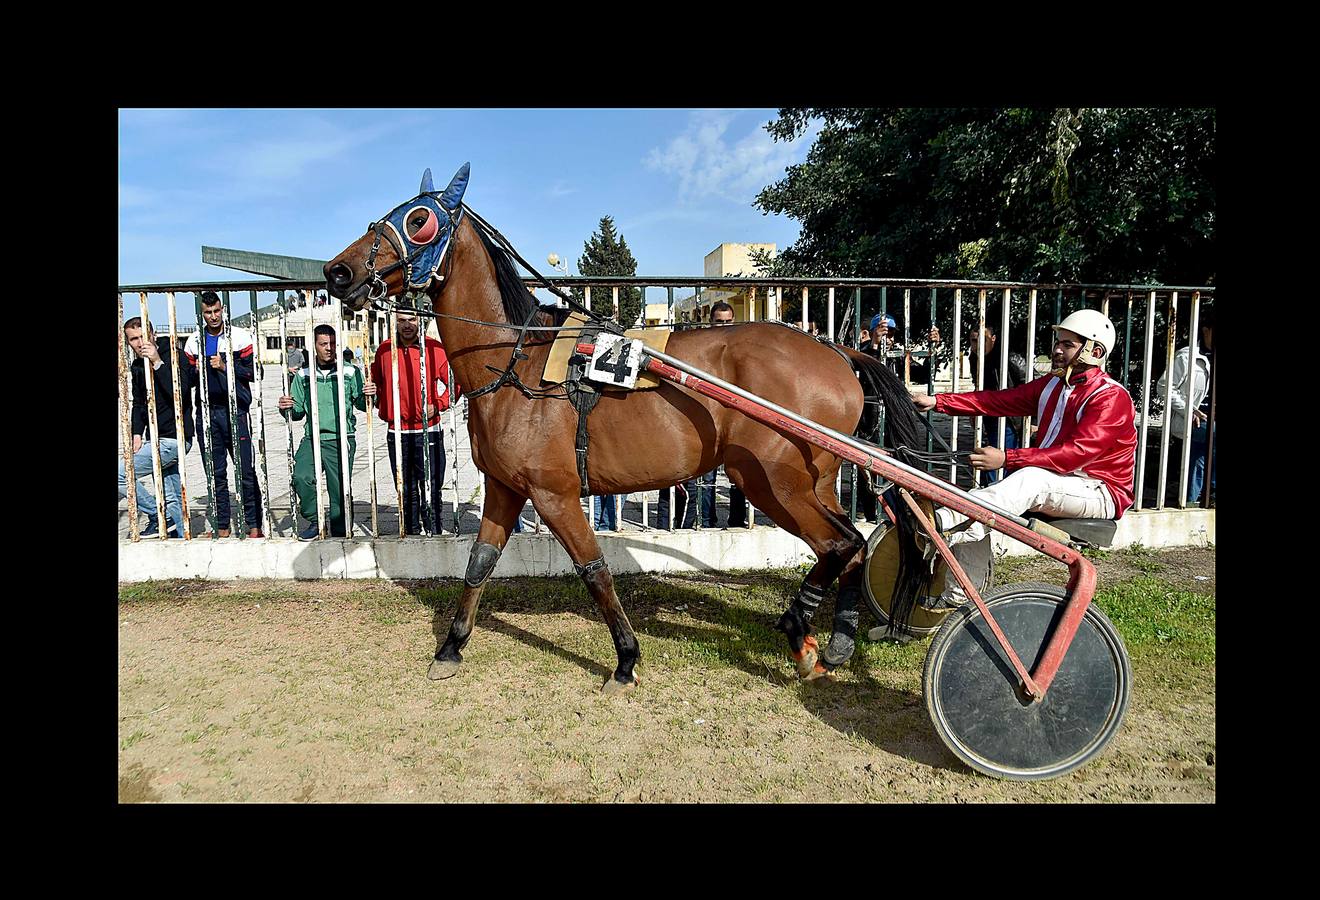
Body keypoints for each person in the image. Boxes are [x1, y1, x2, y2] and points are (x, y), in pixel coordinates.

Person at [912, 309, 1136, 605]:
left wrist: (1007, 458)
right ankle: (958, 595)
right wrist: (939, 401)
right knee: (976, 502)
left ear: (1094, 351)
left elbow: (1074, 456)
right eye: (1058, 342)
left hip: (1101, 491)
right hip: (1059, 483)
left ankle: (943, 526)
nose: (1057, 349)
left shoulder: (1110, 397)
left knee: (1027, 481)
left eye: (1068, 345)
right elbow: (997, 400)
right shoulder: (1054, 384)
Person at [371, 302, 460, 535]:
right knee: (406, 488)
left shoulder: (434, 348)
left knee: (431, 487)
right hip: (397, 431)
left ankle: (434, 530)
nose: (407, 325)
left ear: (420, 320)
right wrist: (377, 399)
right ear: (395, 322)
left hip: (427, 430)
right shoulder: (384, 350)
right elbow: (376, 384)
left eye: (412, 319)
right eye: (401, 320)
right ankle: (410, 532)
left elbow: (455, 382)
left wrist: (438, 404)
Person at [184, 291, 263, 538]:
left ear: (223, 309)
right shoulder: (193, 341)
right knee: (215, 472)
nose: (213, 316)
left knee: (245, 470)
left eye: (217, 311)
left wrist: (225, 366)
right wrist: (195, 370)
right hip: (207, 413)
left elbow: (255, 371)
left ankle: (254, 525)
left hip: (235, 411)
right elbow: (186, 380)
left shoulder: (239, 337)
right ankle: (222, 526)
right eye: (208, 312)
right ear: (202, 313)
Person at [279, 325, 369, 539]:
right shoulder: (303, 374)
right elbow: (298, 412)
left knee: (338, 488)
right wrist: (286, 407)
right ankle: (315, 520)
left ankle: (340, 530)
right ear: (314, 346)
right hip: (313, 437)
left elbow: (362, 404)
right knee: (301, 477)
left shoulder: (350, 371)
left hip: (341, 437)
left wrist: (370, 394)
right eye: (323, 344)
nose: (329, 348)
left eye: (332, 344)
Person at [120, 317, 195, 538]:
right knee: (171, 495)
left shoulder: (173, 353)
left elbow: (180, 393)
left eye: (142, 336)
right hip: (155, 438)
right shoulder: (136, 365)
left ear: (152, 334)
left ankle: (156, 516)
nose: (138, 342)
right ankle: (180, 540)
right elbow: (139, 403)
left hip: (175, 438)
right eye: (133, 339)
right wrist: (136, 432)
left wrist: (157, 362)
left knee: (121, 474)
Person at [693, 301, 748, 528]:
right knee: (707, 479)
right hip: (708, 418)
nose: (723, 325)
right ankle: (707, 521)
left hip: (737, 419)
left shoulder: (741, 349)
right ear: (710, 322)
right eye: (719, 322)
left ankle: (737, 520)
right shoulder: (703, 349)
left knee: (739, 477)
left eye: (728, 321)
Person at [1154, 306, 1214, 503]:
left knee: (1198, 458)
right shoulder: (1187, 356)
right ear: (1206, 331)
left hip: (1208, 423)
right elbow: (1163, 387)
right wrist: (1189, 410)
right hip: (1192, 419)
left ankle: (1191, 500)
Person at [966, 321, 1030, 484]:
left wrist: (1033, 419)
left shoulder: (1008, 357)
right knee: (986, 456)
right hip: (988, 415)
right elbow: (978, 385)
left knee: (1002, 462)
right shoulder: (974, 358)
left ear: (993, 339)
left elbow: (1031, 386)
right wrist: (974, 411)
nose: (977, 345)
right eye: (974, 341)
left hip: (1008, 418)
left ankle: (997, 497)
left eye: (983, 340)